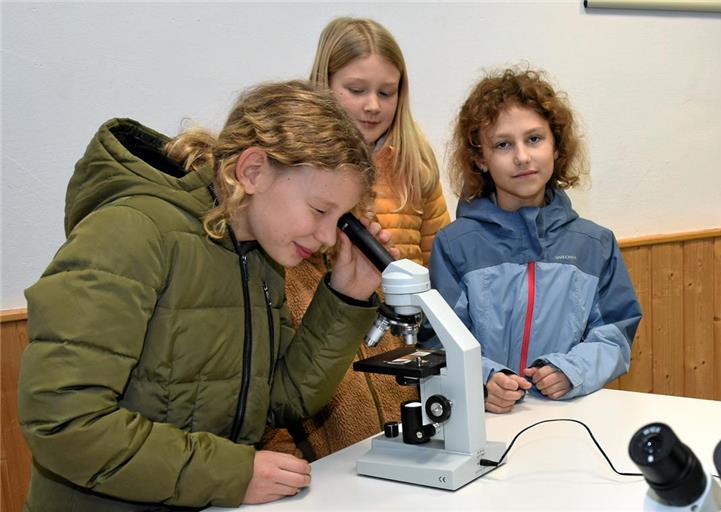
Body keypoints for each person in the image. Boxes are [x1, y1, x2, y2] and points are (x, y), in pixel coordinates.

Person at [17, 80, 399, 511]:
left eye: (339, 218)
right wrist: (231, 474)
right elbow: (63, 421)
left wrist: (346, 295)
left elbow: (278, 400)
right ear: (253, 170)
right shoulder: (129, 233)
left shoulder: (258, 255)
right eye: (319, 210)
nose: (329, 235)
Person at [260, 17, 451, 460]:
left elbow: (434, 256)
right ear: (324, 83)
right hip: (323, 343)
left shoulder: (416, 162)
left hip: (395, 345)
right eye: (356, 89)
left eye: (386, 92)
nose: (372, 105)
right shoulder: (298, 165)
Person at [427, 66, 642, 413]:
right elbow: (438, 339)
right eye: (502, 144)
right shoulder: (454, 246)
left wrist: (572, 370)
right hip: (485, 423)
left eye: (534, 139)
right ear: (480, 158)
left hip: (571, 420)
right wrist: (482, 379)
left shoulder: (594, 243)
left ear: (556, 146)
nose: (522, 157)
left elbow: (615, 335)